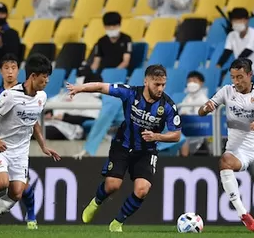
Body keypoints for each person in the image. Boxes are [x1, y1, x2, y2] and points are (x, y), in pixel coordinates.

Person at [67, 64, 181, 232]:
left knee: (142, 190)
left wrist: (157, 136)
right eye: (157, 84)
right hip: (123, 145)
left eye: (163, 84)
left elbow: (176, 135)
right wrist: (80, 88)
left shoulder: (168, 106)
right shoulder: (130, 92)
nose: (160, 88)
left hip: (146, 151)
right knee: (112, 185)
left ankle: (117, 222)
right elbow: (100, 86)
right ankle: (96, 202)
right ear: (146, 81)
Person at [0, 54, 60, 231]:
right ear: (33, 76)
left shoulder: (42, 97)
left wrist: (43, 146)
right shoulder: (10, 95)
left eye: (48, 76)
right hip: (1, 147)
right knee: (1, 184)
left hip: (21, 152)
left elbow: (34, 122)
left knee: (16, 192)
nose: (47, 80)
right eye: (44, 76)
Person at [198, 58, 254, 232]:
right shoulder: (226, 91)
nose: (236, 81)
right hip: (237, 150)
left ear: (250, 75)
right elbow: (203, 110)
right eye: (233, 77)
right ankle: (243, 214)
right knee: (224, 161)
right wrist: (206, 108)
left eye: (240, 77)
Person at [216, 8, 254, 76]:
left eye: (240, 20)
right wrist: (218, 66)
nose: (237, 23)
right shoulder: (231, 35)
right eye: (235, 21)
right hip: (239, 67)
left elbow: (245, 54)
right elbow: (226, 53)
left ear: (246, 21)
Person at [179, 71, 210, 156]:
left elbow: (206, 119)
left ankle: (184, 160)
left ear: (201, 83)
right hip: (187, 130)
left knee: (184, 138)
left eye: (194, 81)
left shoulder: (205, 100)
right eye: (189, 81)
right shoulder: (186, 98)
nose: (191, 83)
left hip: (200, 131)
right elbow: (182, 113)